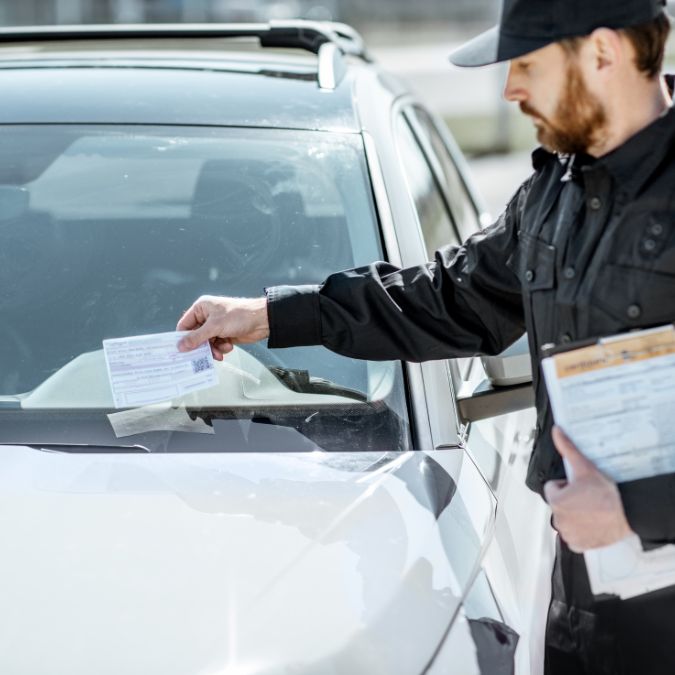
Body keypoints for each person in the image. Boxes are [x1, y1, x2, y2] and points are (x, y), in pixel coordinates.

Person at [177, 0, 675, 671]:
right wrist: (269, 315)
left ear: (604, 53)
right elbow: (443, 295)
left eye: (526, 63)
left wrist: (637, 508)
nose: (510, 89)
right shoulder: (553, 190)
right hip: (581, 606)